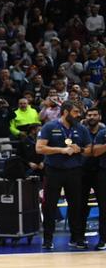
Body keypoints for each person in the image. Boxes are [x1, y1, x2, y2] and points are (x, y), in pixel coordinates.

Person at [36, 100, 92, 250]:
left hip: (74, 171)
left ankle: (77, 238)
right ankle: (48, 239)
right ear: (66, 112)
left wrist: (79, 149)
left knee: (76, 205)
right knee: (50, 205)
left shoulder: (81, 128)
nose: (78, 115)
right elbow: (39, 148)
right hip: (54, 170)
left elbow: (89, 150)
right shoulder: (50, 126)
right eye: (75, 112)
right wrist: (60, 150)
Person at [85, 106, 106, 250]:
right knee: (103, 208)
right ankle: (103, 239)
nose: (92, 117)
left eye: (95, 115)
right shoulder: (103, 133)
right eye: (89, 115)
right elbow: (96, 152)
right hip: (100, 172)